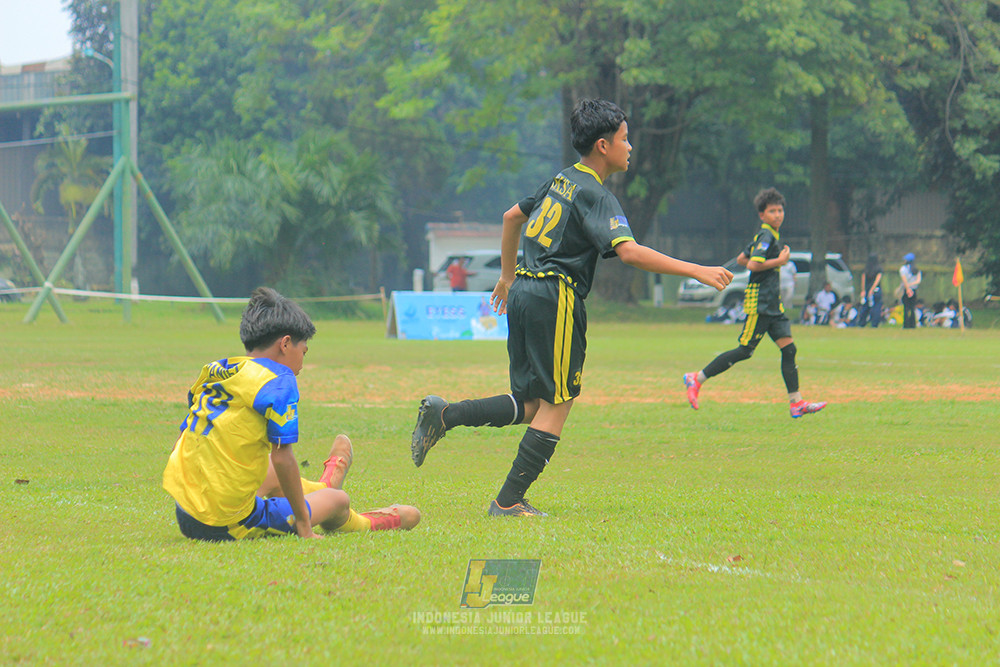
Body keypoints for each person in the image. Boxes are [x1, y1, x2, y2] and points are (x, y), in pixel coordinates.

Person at [409, 98, 732, 517]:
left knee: (532, 405)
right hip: (555, 297)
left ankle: (446, 415)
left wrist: (507, 277)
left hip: (525, 290)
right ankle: (507, 502)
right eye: (624, 138)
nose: (630, 146)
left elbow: (511, 217)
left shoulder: (560, 181)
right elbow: (629, 253)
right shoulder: (597, 195)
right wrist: (698, 271)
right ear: (603, 145)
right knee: (558, 404)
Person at [163, 287, 419, 541]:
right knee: (338, 500)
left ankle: (325, 485)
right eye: (303, 352)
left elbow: (186, 434)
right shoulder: (277, 380)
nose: (302, 364)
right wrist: (304, 526)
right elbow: (283, 457)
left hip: (185, 511)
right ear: (285, 343)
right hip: (225, 522)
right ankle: (367, 519)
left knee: (270, 472)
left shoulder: (218, 369)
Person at [682, 187, 827, 419]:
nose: (778, 215)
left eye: (780, 210)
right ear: (762, 215)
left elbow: (742, 257)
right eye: (772, 211)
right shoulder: (767, 236)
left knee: (789, 349)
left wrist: (766, 258)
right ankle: (696, 378)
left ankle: (796, 403)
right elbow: (751, 264)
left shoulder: (767, 235)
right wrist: (780, 260)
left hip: (773, 305)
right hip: (760, 303)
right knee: (745, 351)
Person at [857, 253, 883, 328]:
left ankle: (862, 323)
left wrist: (863, 290)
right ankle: (874, 324)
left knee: (865, 307)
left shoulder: (866, 269)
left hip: (867, 290)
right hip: (876, 290)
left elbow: (863, 280)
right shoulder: (879, 269)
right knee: (876, 307)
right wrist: (872, 289)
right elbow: (877, 280)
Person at [899, 252, 922, 329]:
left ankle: (906, 324)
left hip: (906, 290)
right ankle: (912, 324)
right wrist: (912, 284)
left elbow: (904, 280)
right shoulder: (916, 269)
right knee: (912, 307)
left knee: (906, 307)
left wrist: (907, 287)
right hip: (914, 290)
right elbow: (918, 281)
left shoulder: (903, 269)